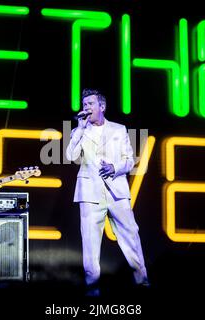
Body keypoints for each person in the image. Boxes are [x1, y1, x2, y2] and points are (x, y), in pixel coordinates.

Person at [66, 88, 149, 295]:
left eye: (90, 104)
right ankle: (92, 290)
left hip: (117, 191)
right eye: (84, 105)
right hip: (90, 192)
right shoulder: (80, 131)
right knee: (90, 243)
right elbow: (70, 156)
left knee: (131, 236)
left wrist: (115, 167)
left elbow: (129, 160)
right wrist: (79, 129)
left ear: (101, 107)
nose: (86, 108)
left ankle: (143, 283)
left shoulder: (119, 129)